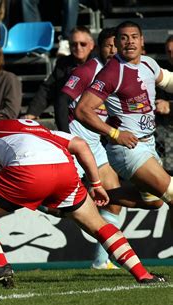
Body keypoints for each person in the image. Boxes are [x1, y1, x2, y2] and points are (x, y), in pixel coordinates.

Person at [0, 112, 167, 290]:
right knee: (96, 224)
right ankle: (143, 274)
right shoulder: (34, 126)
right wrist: (95, 183)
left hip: (29, 172)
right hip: (64, 169)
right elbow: (80, 145)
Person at [75, 21, 173, 227]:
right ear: (117, 44)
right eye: (124, 38)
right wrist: (115, 134)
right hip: (126, 150)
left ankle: (92, 195)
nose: (130, 42)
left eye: (134, 37)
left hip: (147, 144)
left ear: (142, 40)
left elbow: (169, 81)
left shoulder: (148, 63)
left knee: (154, 202)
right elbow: (82, 110)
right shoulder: (112, 73)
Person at [60, 28, 122, 269]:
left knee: (114, 197)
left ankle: (101, 260)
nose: (113, 50)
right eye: (108, 45)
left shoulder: (120, 73)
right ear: (100, 47)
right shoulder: (88, 70)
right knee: (60, 204)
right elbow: (62, 100)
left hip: (95, 146)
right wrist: (65, 138)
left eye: (116, 45)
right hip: (75, 143)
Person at [24, 26, 95, 132]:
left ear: (91, 45)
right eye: (74, 44)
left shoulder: (99, 63)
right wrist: (33, 112)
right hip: (69, 115)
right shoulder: (63, 63)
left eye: (83, 44)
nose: (78, 47)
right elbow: (48, 88)